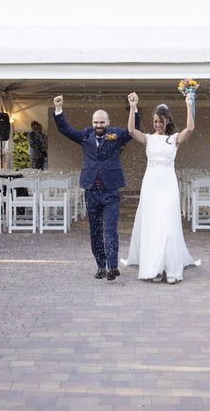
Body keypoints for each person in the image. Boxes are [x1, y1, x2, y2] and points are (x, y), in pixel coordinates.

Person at [53, 95, 139, 281]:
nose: (98, 125)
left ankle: (113, 266)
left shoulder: (116, 135)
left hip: (110, 191)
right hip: (91, 190)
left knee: (110, 229)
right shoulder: (85, 135)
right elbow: (65, 130)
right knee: (95, 230)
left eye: (101, 122)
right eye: (95, 122)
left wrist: (133, 107)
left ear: (108, 122)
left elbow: (133, 130)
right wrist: (59, 110)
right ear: (92, 123)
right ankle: (101, 265)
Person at [121, 93, 201, 284]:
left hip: (168, 185)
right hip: (150, 185)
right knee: (153, 225)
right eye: (156, 121)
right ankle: (155, 269)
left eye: (161, 121)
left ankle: (171, 269)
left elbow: (190, 128)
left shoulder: (174, 139)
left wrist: (189, 104)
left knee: (168, 225)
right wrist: (133, 107)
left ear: (167, 121)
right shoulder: (148, 138)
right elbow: (131, 130)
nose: (158, 124)